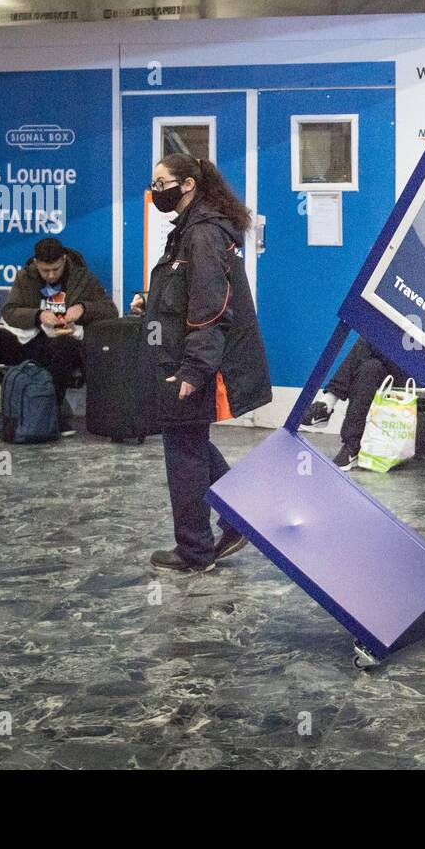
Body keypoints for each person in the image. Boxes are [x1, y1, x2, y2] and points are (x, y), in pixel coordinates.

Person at [138, 153, 272, 573]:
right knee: (190, 442)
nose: (155, 191)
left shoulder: (203, 235)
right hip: (186, 356)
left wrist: (194, 371)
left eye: (161, 183)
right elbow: (186, 293)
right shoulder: (189, 231)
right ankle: (237, 519)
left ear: (189, 184)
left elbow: (212, 308)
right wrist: (152, 305)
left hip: (194, 363)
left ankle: (195, 552)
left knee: (183, 448)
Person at [0, 238, 118, 436]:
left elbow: (110, 310)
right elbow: (10, 312)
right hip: (29, 340)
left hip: (63, 344)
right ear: (35, 264)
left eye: (56, 269)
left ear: (64, 260)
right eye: (45, 270)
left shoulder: (82, 278)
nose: (50, 275)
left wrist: (83, 309)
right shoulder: (25, 277)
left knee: (63, 345)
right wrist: (37, 316)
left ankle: (55, 410)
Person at [301, 337, 409, 470]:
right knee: (370, 368)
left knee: (371, 336)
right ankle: (352, 447)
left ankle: (329, 400)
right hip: (397, 360)